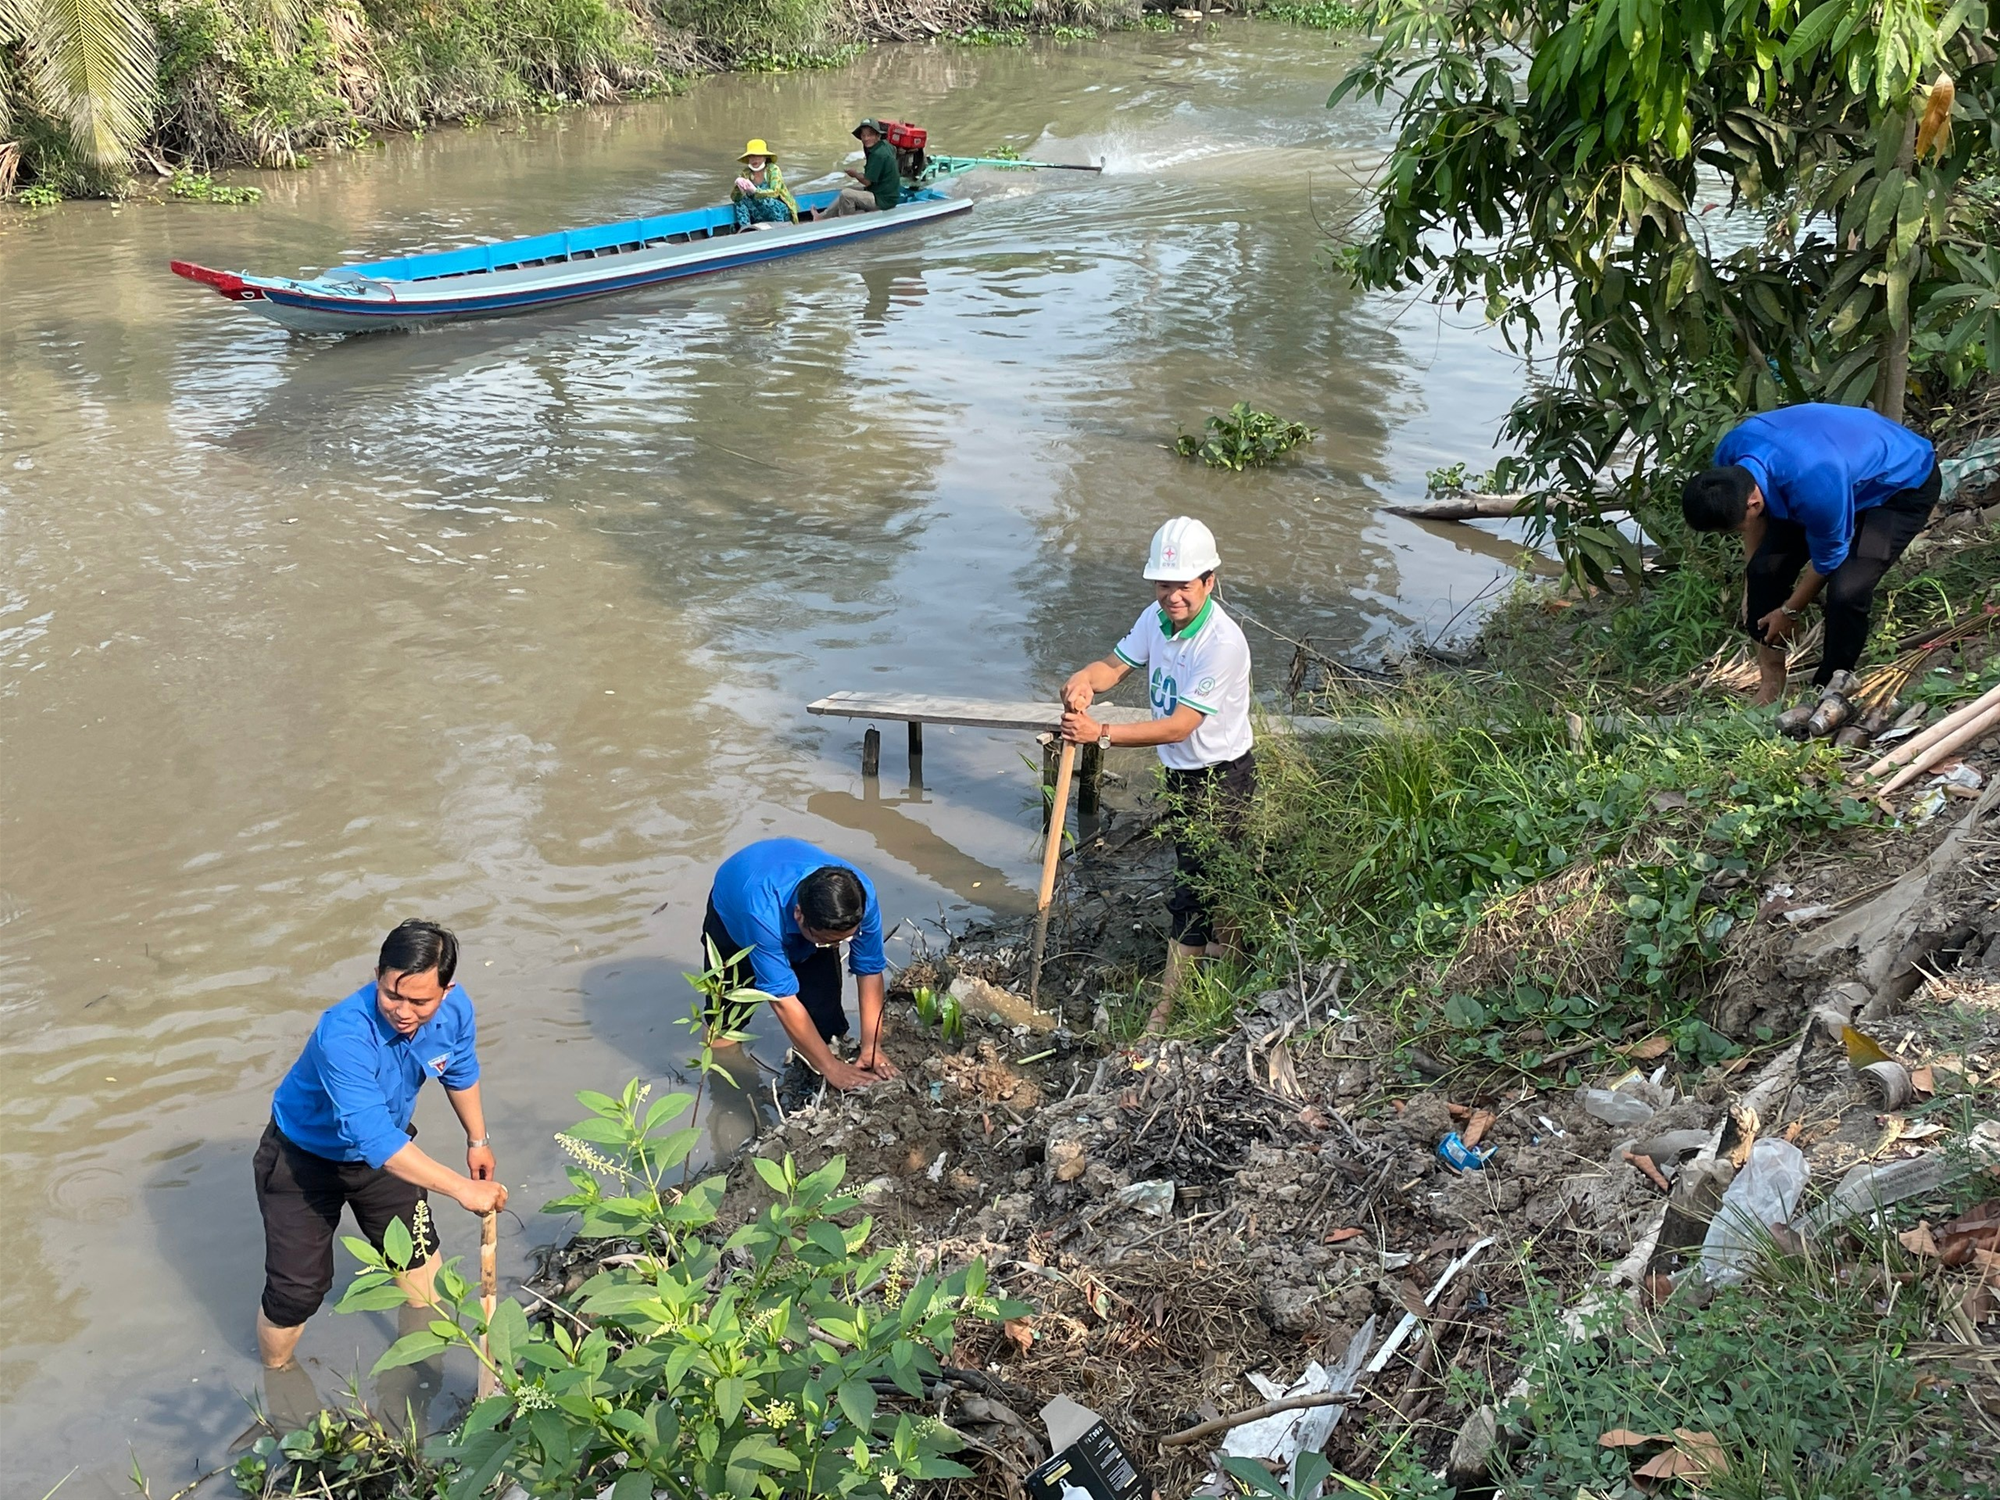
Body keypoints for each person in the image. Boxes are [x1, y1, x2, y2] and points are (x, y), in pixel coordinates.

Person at [253, 920, 507, 1373]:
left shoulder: (455, 1011)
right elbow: (373, 1138)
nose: (403, 1011)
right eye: (392, 994)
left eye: (420, 1001)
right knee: (298, 1291)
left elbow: (459, 1068)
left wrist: (477, 1141)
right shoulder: (344, 1034)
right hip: (303, 1160)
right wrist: (462, 1189)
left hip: (387, 1158)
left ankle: (418, 1377)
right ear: (378, 974)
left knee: (421, 1267)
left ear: (446, 991)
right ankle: (277, 1379)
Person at [1059, 516, 1254, 1028]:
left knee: (1197, 884)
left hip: (1223, 773)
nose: (1172, 597)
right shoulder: (1156, 618)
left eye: (1183, 586)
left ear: (1209, 581)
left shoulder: (1222, 643)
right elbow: (1114, 666)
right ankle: (1228, 960)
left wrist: (1100, 734)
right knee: (1212, 874)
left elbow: (1179, 726)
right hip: (1182, 773)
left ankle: (1165, 1010)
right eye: (1164, 585)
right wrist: (1084, 680)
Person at [1682, 404, 1939, 719]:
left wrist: (1790, 610)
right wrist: (1754, 581)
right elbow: (1756, 538)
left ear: (1753, 502)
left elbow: (1829, 557)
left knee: (1847, 592)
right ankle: (1772, 680)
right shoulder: (1729, 459)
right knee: (1764, 570)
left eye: (1736, 527)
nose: (1736, 532)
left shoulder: (1815, 487)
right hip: (1833, 472)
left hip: (1900, 486)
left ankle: (1830, 687)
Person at [700, 839, 899, 1090]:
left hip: (807, 915)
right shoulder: (761, 913)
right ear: (799, 915)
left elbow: (869, 969)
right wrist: (831, 1068)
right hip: (736, 915)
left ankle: (808, 1076)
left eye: (844, 939)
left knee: (827, 1025)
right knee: (725, 1023)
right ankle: (722, 1093)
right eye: (828, 942)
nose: (837, 945)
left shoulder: (860, 898)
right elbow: (782, 1000)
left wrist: (872, 1046)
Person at [825, 119, 901, 218]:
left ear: (877, 136)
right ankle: (821, 217)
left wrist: (855, 174)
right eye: (863, 135)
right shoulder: (885, 145)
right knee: (847, 190)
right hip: (879, 190)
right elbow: (894, 150)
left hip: (883, 200)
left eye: (870, 135)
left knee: (846, 194)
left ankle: (846, 222)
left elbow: (867, 182)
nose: (866, 138)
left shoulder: (878, 154)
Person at [730, 139, 798, 231]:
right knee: (740, 201)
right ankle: (745, 229)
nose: (754, 159)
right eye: (751, 156)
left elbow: (775, 192)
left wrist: (755, 191)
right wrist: (738, 184)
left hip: (778, 209)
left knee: (766, 200)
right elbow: (735, 198)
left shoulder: (773, 170)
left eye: (757, 155)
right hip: (757, 211)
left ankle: (780, 229)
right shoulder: (746, 173)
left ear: (765, 157)